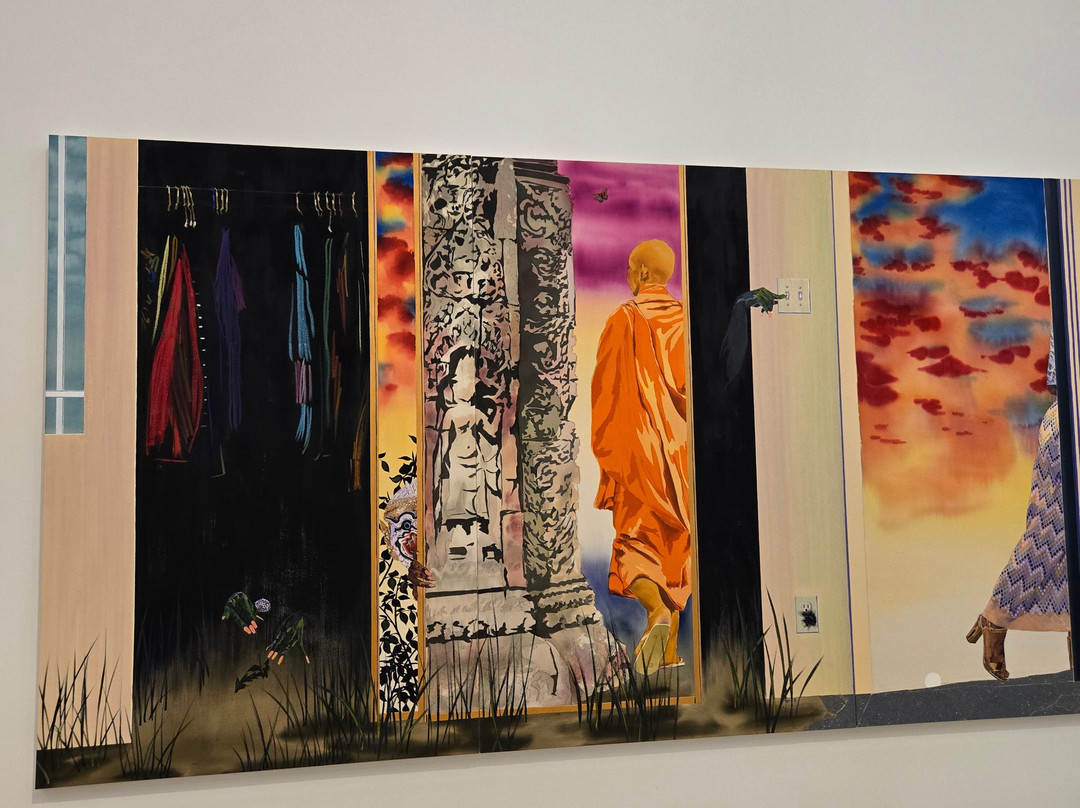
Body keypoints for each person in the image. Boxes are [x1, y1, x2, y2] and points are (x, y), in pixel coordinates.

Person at [591, 239, 691, 673]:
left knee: (637, 543)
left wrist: (608, 446)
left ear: (644, 273)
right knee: (675, 549)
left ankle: (657, 612)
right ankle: (667, 653)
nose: (628, 276)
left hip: (639, 452)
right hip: (681, 452)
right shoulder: (687, 319)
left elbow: (605, 391)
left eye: (632, 269)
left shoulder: (625, 318)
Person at [968, 333, 1071, 681]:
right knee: (1049, 534)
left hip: (1066, 422)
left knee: (1062, 543)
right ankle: (996, 615)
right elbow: (1059, 379)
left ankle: (995, 618)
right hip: (1070, 424)